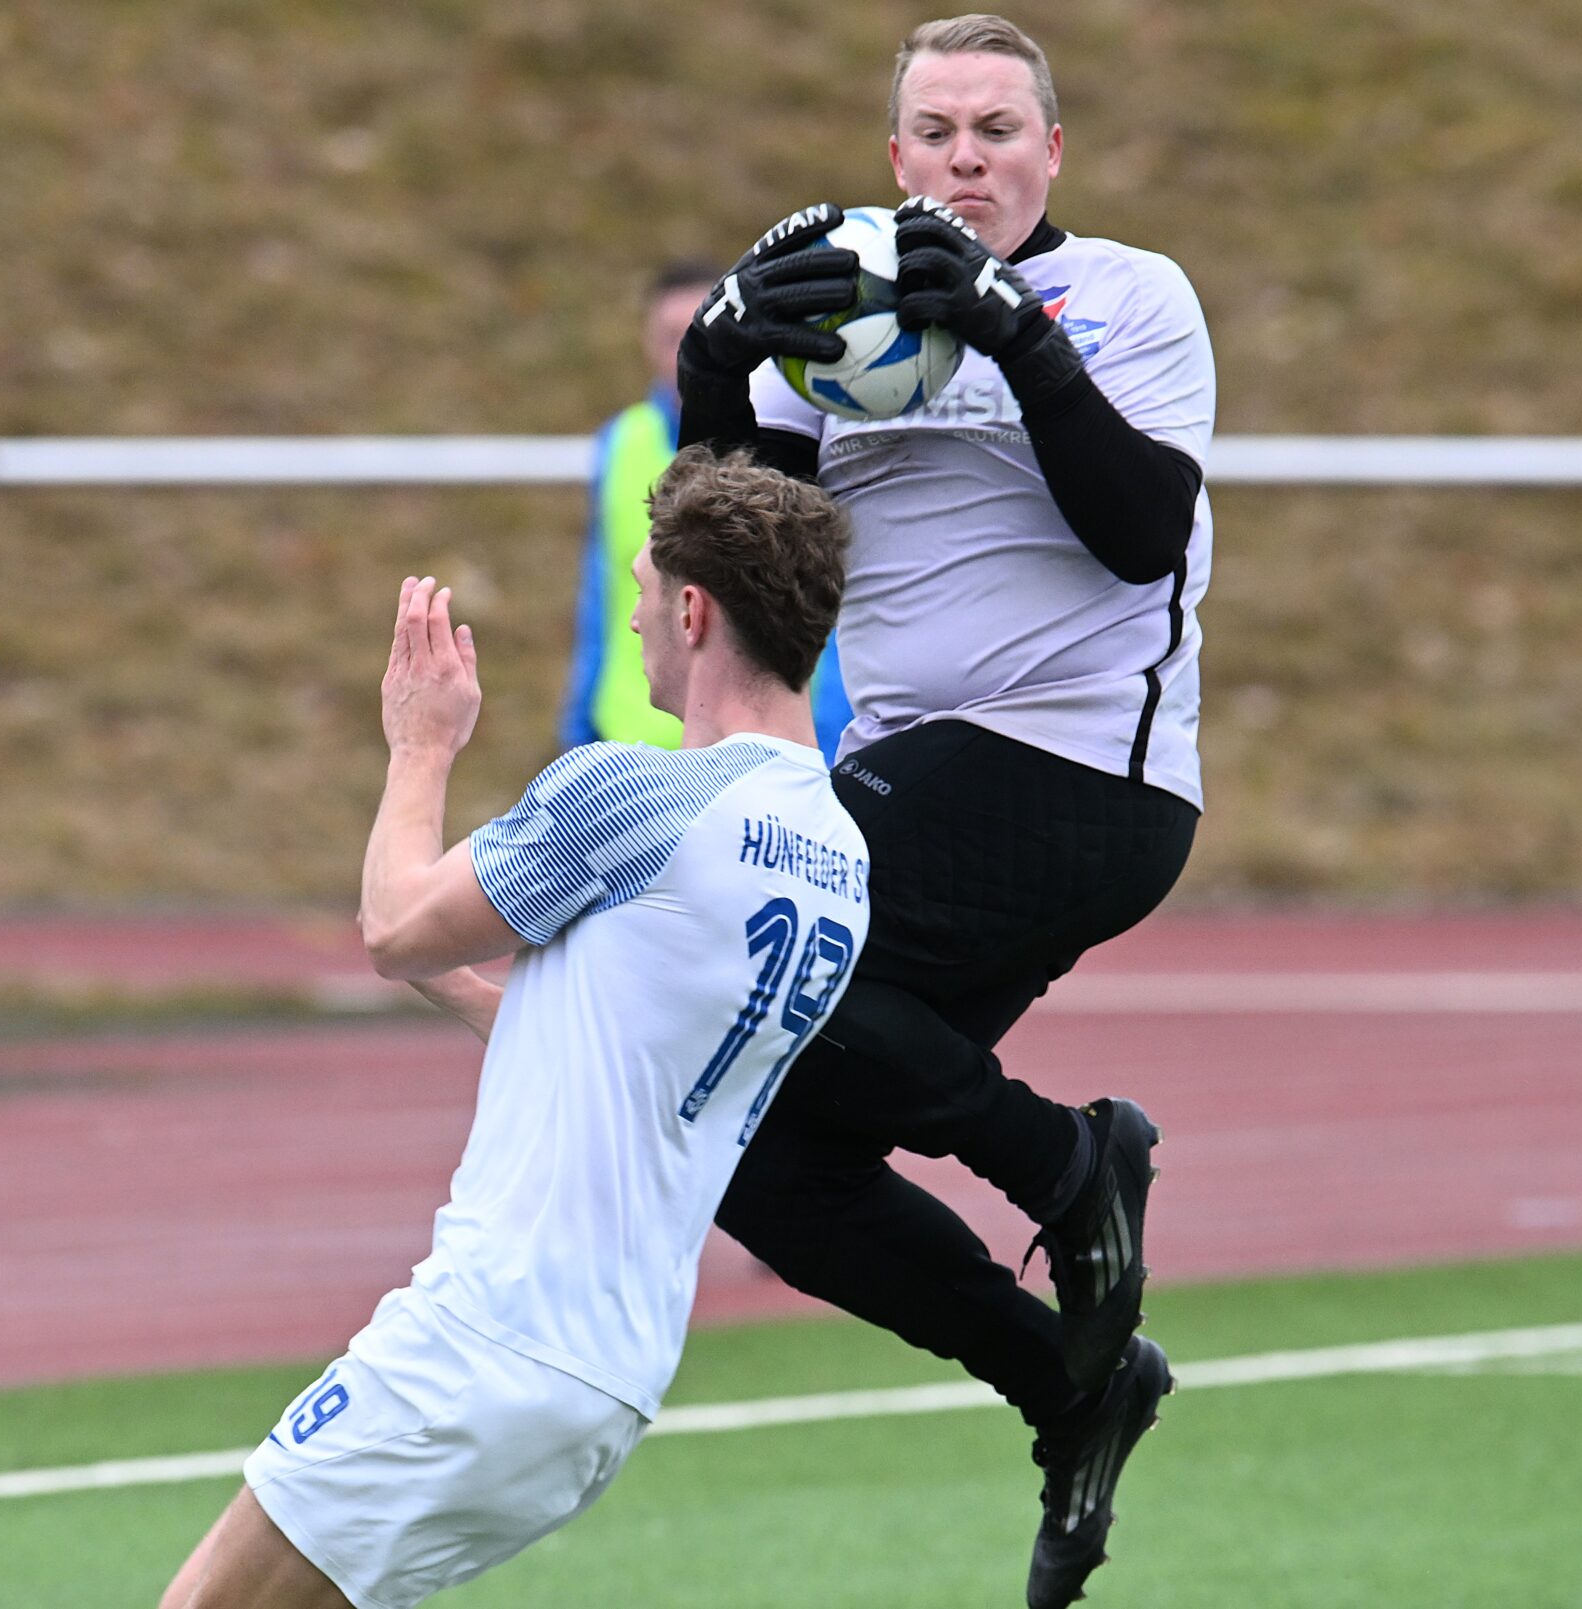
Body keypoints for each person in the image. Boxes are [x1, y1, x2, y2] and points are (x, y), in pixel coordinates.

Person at [672, 15, 1213, 1607]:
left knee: (737, 942)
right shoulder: (843, 321)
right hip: (915, 772)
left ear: (1053, 152)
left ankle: (1067, 1161)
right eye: (936, 132)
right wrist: (715, 365)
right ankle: (1070, 1386)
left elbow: (1143, 534)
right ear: (894, 158)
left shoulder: (1130, 295)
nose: (966, 158)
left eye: (997, 129)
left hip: (1080, 767)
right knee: (769, 1163)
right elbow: (746, 580)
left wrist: (1017, 337)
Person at [161, 447, 869, 1609]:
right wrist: (466, 991)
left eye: (643, 593)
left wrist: (420, 744)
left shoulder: (634, 792)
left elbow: (396, 922)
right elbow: (632, 1061)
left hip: (487, 1338)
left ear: (694, 612)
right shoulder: (840, 857)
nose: (632, 621)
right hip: (608, 1381)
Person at [561, 263, 854, 756]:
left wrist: (828, 730)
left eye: (696, 334)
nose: (683, 354)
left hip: (749, 749)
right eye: (669, 337)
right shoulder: (622, 441)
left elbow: (822, 594)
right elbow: (600, 592)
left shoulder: (787, 436)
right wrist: (580, 724)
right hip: (634, 748)